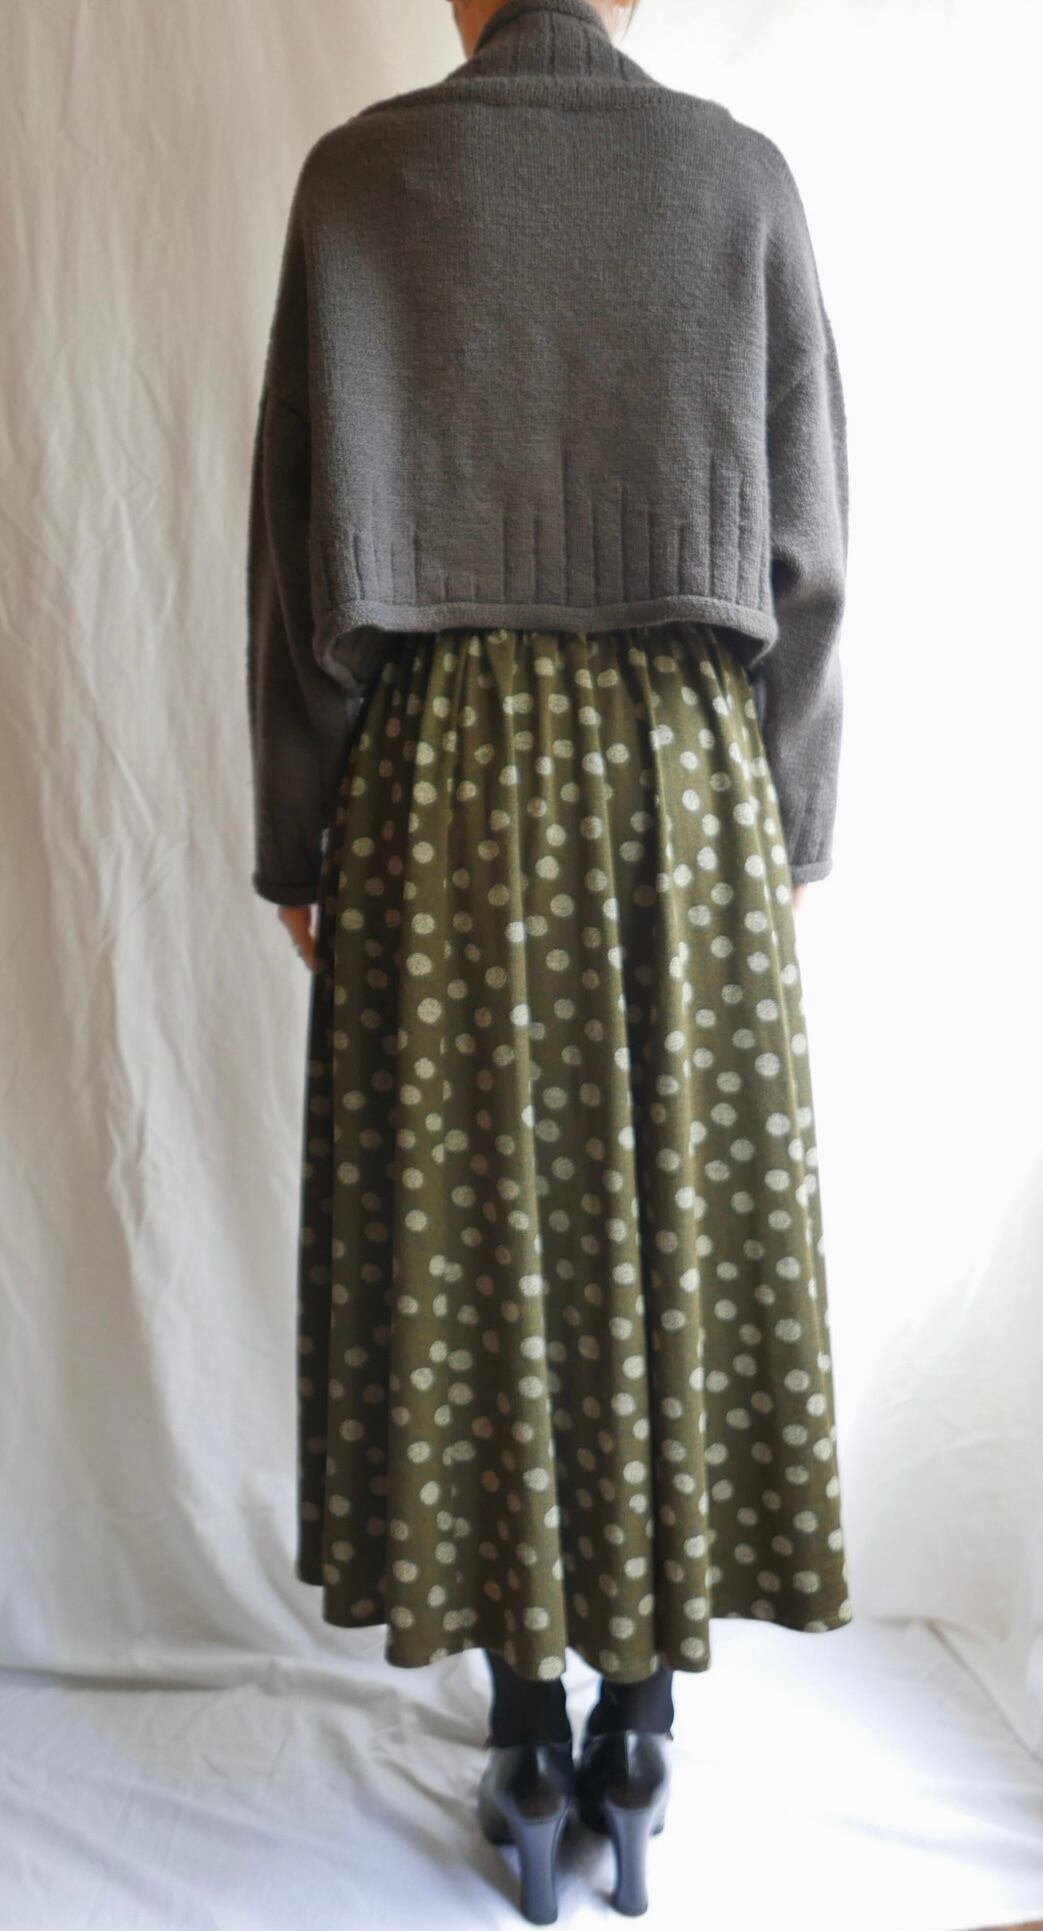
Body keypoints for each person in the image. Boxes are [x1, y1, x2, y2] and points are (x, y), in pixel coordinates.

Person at [244, 0, 853, 1917]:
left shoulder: (361, 184)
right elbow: (812, 559)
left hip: (439, 789)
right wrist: (786, 828)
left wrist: (297, 828)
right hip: (685, 786)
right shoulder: (736, 182)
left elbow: (295, 559)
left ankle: (525, 1727)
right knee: (667, 1223)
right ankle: (641, 1720)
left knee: (477, 1241)